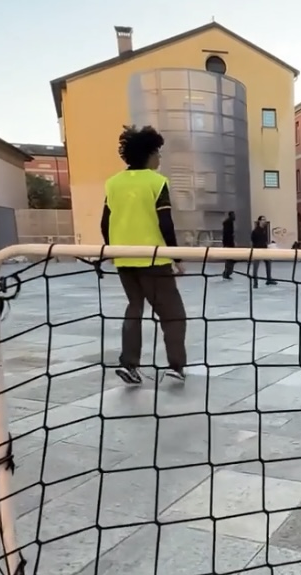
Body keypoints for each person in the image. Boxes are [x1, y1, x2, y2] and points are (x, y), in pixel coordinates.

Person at [100, 125, 188, 385]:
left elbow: (105, 223)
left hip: (124, 259)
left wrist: (113, 249)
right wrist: (177, 258)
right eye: (158, 152)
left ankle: (129, 365)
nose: (160, 158)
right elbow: (166, 223)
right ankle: (176, 366)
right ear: (149, 154)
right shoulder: (156, 182)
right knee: (173, 315)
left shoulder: (113, 183)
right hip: (154, 260)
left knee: (134, 309)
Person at [249, 216, 276, 288]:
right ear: (259, 221)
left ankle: (269, 279)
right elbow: (253, 240)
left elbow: (265, 240)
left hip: (265, 250)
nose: (264, 221)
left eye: (265, 220)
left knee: (268, 263)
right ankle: (255, 283)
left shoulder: (264, 230)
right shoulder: (255, 231)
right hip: (257, 250)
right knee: (255, 267)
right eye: (263, 220)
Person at [220, 211, 237, 280]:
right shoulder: (228, 223)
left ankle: (227, 272)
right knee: (229, 259)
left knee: (230, 259)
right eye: (234, 215)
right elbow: (227, 235)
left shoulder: (229, 223)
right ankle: (227, 273)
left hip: (229, 243)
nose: (235, 216)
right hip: (228, 244)